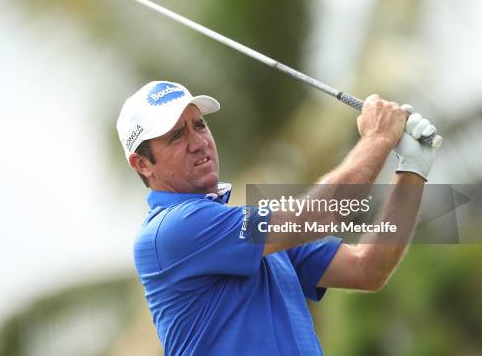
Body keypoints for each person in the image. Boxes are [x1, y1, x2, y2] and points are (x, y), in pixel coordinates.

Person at [116, 80, 439, 356]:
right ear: (142, 163)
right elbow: (318, 213)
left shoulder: (249, 234)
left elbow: (367, 268)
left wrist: (412, 171)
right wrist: (378, 137)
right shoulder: (174, 229)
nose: (198, 142)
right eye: (176, 136)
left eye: (199, 125)